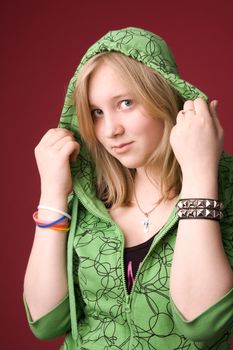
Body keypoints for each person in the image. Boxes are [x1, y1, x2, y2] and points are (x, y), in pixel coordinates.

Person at [23, 27, 233, 349]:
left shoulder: (222, 186)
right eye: (97, 112)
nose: (110, 130)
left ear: (162, 94)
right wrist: (52, 195)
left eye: (125, 103)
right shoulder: (90, 195)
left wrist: (199, 175)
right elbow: (45, 321)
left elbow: (201, 322)